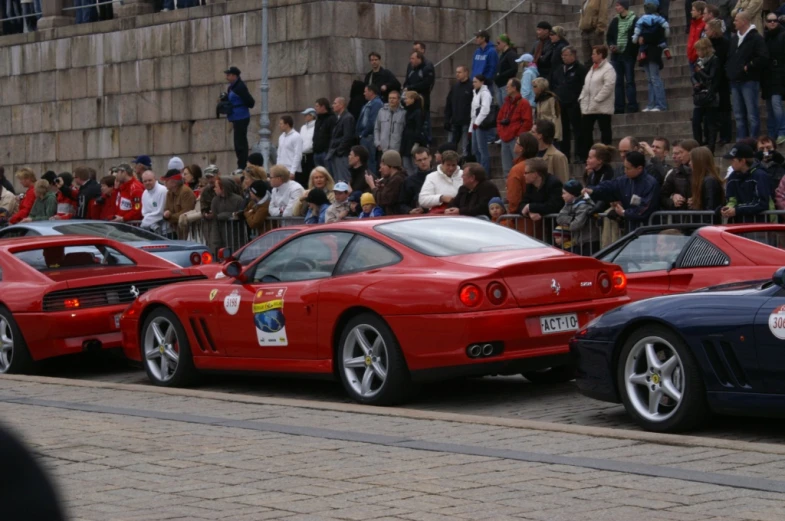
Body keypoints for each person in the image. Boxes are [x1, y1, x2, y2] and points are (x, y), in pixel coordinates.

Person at [584, 150, 661, 230]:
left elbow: (645, 208)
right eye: (624, 167)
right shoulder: (624, 180)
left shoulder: (650, 184)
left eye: (628, 168)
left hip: (647, 230)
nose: (625, 171)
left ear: (639, 168)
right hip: (630, 230)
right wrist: (593, 190)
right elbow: (609, 187)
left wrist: (624, 213)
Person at [726, 12, 769, 139]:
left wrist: (748, 66)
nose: (734, 23)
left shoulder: (756, 38)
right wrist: (729, 70)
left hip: (749, 80)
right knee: (738, 115)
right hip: (735, 80)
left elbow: (763, 57)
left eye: (736, 20)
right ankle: (741, 142)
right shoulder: (734, 39)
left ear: (744, 21)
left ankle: (753, 140)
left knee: (752, 114)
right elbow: (729, 57)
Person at [578, 45, 617, 160]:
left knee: (605, 130)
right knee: (586, 131)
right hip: (589, 106)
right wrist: (582, 97)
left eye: (594, 53)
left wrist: (597, 99)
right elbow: (586, 85)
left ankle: (606, 155)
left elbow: (608, 86)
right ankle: (588, 155)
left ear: (601, 55)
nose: (592, 55)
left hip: (602, 106)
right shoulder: (592, 68)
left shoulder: (608, 69)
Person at [551, 46, 588, 161]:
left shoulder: (580, 69)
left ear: (573, 55)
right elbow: (554, 83)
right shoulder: (559, 70)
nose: (564, 57)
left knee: (578, 130)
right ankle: (565, 155)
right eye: (563, 55)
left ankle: (580, 155)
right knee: (564, 132)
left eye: (566, 55)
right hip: (561, 104)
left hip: (574, 104)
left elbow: (585, 85)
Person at [722, 142, 773, 222]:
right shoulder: (732, 177)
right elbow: (731, 199)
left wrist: (737, 210)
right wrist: (727, 208)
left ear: (742, 161)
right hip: (737, 224)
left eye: (733, 160)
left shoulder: (760, 175)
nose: (730, 163)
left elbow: (761, 203)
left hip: (759, 225)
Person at [636, 3, 669, 113]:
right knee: (650, 79)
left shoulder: (658, 21)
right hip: (645, 51)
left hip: (654, 51)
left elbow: (656, 36)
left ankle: (661, 104)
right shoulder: (642, 22)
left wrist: (643, 38)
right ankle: (651, 104)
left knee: (655, 78)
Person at [497, 78, 533, 179]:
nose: (506, 89)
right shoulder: (506, 104)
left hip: (516, 139)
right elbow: (499, 119)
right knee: (506, 169)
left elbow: (527, 122)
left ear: (514, 88)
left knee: (519, 166)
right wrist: (501, 132)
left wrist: (518, 136)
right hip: (505, 138)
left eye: (508, 87)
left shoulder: (524, 103)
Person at [608, 0, 639, 114]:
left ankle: (632, 105)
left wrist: (630, 51)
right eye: (616, 5)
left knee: (630, 81)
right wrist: (611, 45)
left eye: (618, 5)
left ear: (624, 7)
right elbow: (610, 36)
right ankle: (619, 107)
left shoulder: (634, 19)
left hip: (628, 55)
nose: (616, 8)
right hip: (616, 56)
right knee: (618, 82)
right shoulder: (615, 20)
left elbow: (635, 37)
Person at [223, 66, 256, 170]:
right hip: (236, 117)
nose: (227, 77)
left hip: (241, 117)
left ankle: (242, 165)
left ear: (234, 75)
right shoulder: (232, 86)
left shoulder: (240, 87)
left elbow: (250, 102)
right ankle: (241, 164)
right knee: (238, 142)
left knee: (240, 142)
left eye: (228, 75)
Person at [706, 20, 733, 145]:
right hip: (710, 80)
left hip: (722, 80)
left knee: (724, 109)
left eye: (707, 29)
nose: (705, 32)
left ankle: (725, 135)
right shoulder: (707, 44)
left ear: (713, 30)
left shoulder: (724, 43)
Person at [555, 179, 600, 254]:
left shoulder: (584, 205)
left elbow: (575, 225)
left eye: (564, 193)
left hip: (589, 242)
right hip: (578, 242)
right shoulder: (569, 204)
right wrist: (573, 218)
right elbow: (559, 218)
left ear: (572, 194)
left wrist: (568, 222)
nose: (562, 196)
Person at [692, 38, 722, 151]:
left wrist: (700, 71)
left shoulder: (714, 60)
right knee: (696, 121)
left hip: (711, 94)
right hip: (700, 94)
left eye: (698, 50)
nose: (697, 53)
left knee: (711, 124)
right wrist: (695, 84)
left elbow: (712, 77)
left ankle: (711, 148)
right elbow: (693, 76)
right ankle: (698, 146)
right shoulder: (698, 61)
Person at [520, 158, 565, 233]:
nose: (524, 175)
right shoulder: (530, 186)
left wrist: (530, 207)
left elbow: (553, 206)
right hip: (545, 227)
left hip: (558, 226)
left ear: (535, 174)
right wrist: (530, 212)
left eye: (526, 173)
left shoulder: (554, 183)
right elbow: (522, 205)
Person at [402, 50, 435, 140]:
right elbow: (407, 79)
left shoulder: (427, 67)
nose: (411, 61)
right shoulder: (410, 67)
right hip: (409, 99)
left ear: (419, 59)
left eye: (413, 58)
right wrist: (405, 88)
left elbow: (427, 83)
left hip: (422, 99)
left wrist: (411, 87)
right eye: (410, 58)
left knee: (424, 122)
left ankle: (427, 140)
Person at [763, 13, 785, 145]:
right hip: (767, 74)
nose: (772, 23)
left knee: (776, 104)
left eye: (775, 21)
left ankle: (782, 131)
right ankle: (772, 133)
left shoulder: (783, 35)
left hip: (779, 73)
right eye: (769, 21)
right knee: (769, 106)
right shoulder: (765, 37)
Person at [507, 133, 540, 215]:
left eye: (516, 142)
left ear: (521, 148)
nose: (515, 144)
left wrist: (512, 216)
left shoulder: (517, 169)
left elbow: (514, 199)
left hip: (522, 220)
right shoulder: (540, 164)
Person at [444, 67, 474, 157]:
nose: (457, 74)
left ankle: (465, 161)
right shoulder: (455, 87)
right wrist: (447, 119)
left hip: (466, 121)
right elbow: (449, 103)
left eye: (459, 72)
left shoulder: (471, 86)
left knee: (465, 146)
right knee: (450, 146)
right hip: (455, 121)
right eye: (456, 72)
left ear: (466, 73)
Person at [211, 177, 246, 253]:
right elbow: (214, 220)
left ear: (223, 188)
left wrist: (223, 215)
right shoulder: (215, 200)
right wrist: (215, 241)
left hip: (236, 236)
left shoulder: (238, 199)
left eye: (216, 187)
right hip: (221, 236)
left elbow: (240, 214)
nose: (214, 189)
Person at [366, 150, 406, 216]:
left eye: (383, 165)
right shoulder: (394, 179)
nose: (380, 169)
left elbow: (383, 200)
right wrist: (381, 188)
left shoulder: (397, 180)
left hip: (395, 218)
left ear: (391, 165)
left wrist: (372, 186)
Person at [355, 85, 384, 175]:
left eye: (365, 91)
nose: (364, 94)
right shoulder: (368, 103)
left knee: (370, 162)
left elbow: (372, 121)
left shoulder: (377, 103)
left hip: (369, 137)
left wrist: (363, 133)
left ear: (371, 92)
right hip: (364, 136)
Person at [326, 97, 355, 184]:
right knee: (337, 179)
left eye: (335, 103)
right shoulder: (340, 117)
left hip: (342, 154)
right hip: (336, 153)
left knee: (343, 178)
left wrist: (339, 151)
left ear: (341, 105)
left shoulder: (347, 118)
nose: (332, 105)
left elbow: (347, 137)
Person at [689, 146, 725, 215]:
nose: (689, 163)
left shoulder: (709, 181)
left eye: (692, 160)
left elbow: (710, 208)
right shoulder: (704, 180)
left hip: (707, 224)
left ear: (698, 161)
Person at [633, 1, 672, 65]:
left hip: (646, 34)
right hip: (655, 32)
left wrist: (635, 36)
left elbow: (638, 27)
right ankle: (665, 49)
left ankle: (642, 53)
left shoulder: (642, 18)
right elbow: (665, 24)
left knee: (642, 45)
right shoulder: (657, 17)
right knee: (661, 40)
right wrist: (667, 31)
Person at [532, 119, 570, 184]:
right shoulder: (532, 153)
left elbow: (563, 182)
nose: (530, 134)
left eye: (533, 132)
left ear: (540, 136)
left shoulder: (558, 156)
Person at [162, 169, 196, 238]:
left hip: (189, 231)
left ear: (173, 183)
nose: (164, 183)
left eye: (166, 180)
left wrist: (170, 217)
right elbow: (167, 209)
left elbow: (186, 212)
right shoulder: (169, 193)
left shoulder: (186, 192)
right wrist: (166, 214)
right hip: (177, 230)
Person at [470, 75, 493, 174]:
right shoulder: (475, 93)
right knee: (475, 149)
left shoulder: (485, 94)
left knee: (482, 149)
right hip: (475, 124)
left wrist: (477, 123)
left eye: (476, 82)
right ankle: (480, 171)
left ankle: (485, 173)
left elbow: (485, 109)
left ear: (482, 82)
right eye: (473, 82)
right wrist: (470, 129)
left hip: (481, 124)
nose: (473, 83)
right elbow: (473, 112)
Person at [375, 90, 406, 161]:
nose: (391, 100)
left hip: (396, 149)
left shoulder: (403, 113)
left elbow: (404, 130)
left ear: (399, 100)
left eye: (394, 98)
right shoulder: (381, 111)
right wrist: (377, 143)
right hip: (383, 148)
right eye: (390, 98)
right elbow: (377, 128)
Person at [400, 91, 426, 176]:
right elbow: (401, 102)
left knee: (414, 165)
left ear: (412, 99)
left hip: (412, 140)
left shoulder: (417, 112)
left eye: (407, 98)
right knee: (406, 165)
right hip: (406, 140)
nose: (405, 100)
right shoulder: (409, 110)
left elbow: (418, 128)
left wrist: (416, 142)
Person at [399, 147, 430, 214]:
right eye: (419, 160)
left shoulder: (439, 176)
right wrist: (410, 211)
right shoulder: (409, 181)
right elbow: (402, 204)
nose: (423, 162)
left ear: (430, 158)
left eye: (425, 159)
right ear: (415, 161)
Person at [532, 78, 563, 146]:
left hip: (549, 131)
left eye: (535, 86)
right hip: (541, 130)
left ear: (541, 87)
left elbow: (556, 116)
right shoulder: (538, 99)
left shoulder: (551, 98)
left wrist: (555, 135)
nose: (533, 88)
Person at [579, 0, 611, 64]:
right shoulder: (585, 1)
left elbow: (603, 13)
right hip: (585, 32)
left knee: (597, 58)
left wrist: (599, 29)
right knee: (587, 61)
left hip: (594, 31)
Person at [494, 34, 519, 105]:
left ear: (505, 43)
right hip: (500, 84)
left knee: (507, 107)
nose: (497, 45)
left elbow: (514, 68)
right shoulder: (503, 54)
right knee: (502, 108)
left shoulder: (511, 54)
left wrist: (501, 75)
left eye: (498, 43)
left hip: (505, 84)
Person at [277, 115, 303, 182]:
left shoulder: (296, 136)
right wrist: (278, 168)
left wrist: (292, 171)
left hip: (292, 171)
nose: (279, 125)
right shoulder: (281, 137)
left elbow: (298, 155)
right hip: (282, 170)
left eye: (281, 124)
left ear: (287, 124)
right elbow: (279, 154)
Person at [313, 98, 337, 169]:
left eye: (317, 106)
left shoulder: (332, 119)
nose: (315, 108)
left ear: (323, 107)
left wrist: (328, 150)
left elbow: (333, 136)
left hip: (325, 153)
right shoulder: (318, 120)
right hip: (317, 152)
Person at [299, 108, 317, 186]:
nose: (305, 117)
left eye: (306, 115)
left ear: (312, 116)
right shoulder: (303, 127)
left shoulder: (316, 126)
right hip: (302, 156)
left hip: (311, 155)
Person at [688, 2, 708, 69]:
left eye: (693, 10)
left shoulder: (704, 24)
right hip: (691, 57)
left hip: (699, 57)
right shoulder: (693, 23)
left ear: (699, 12)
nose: (691, 12)